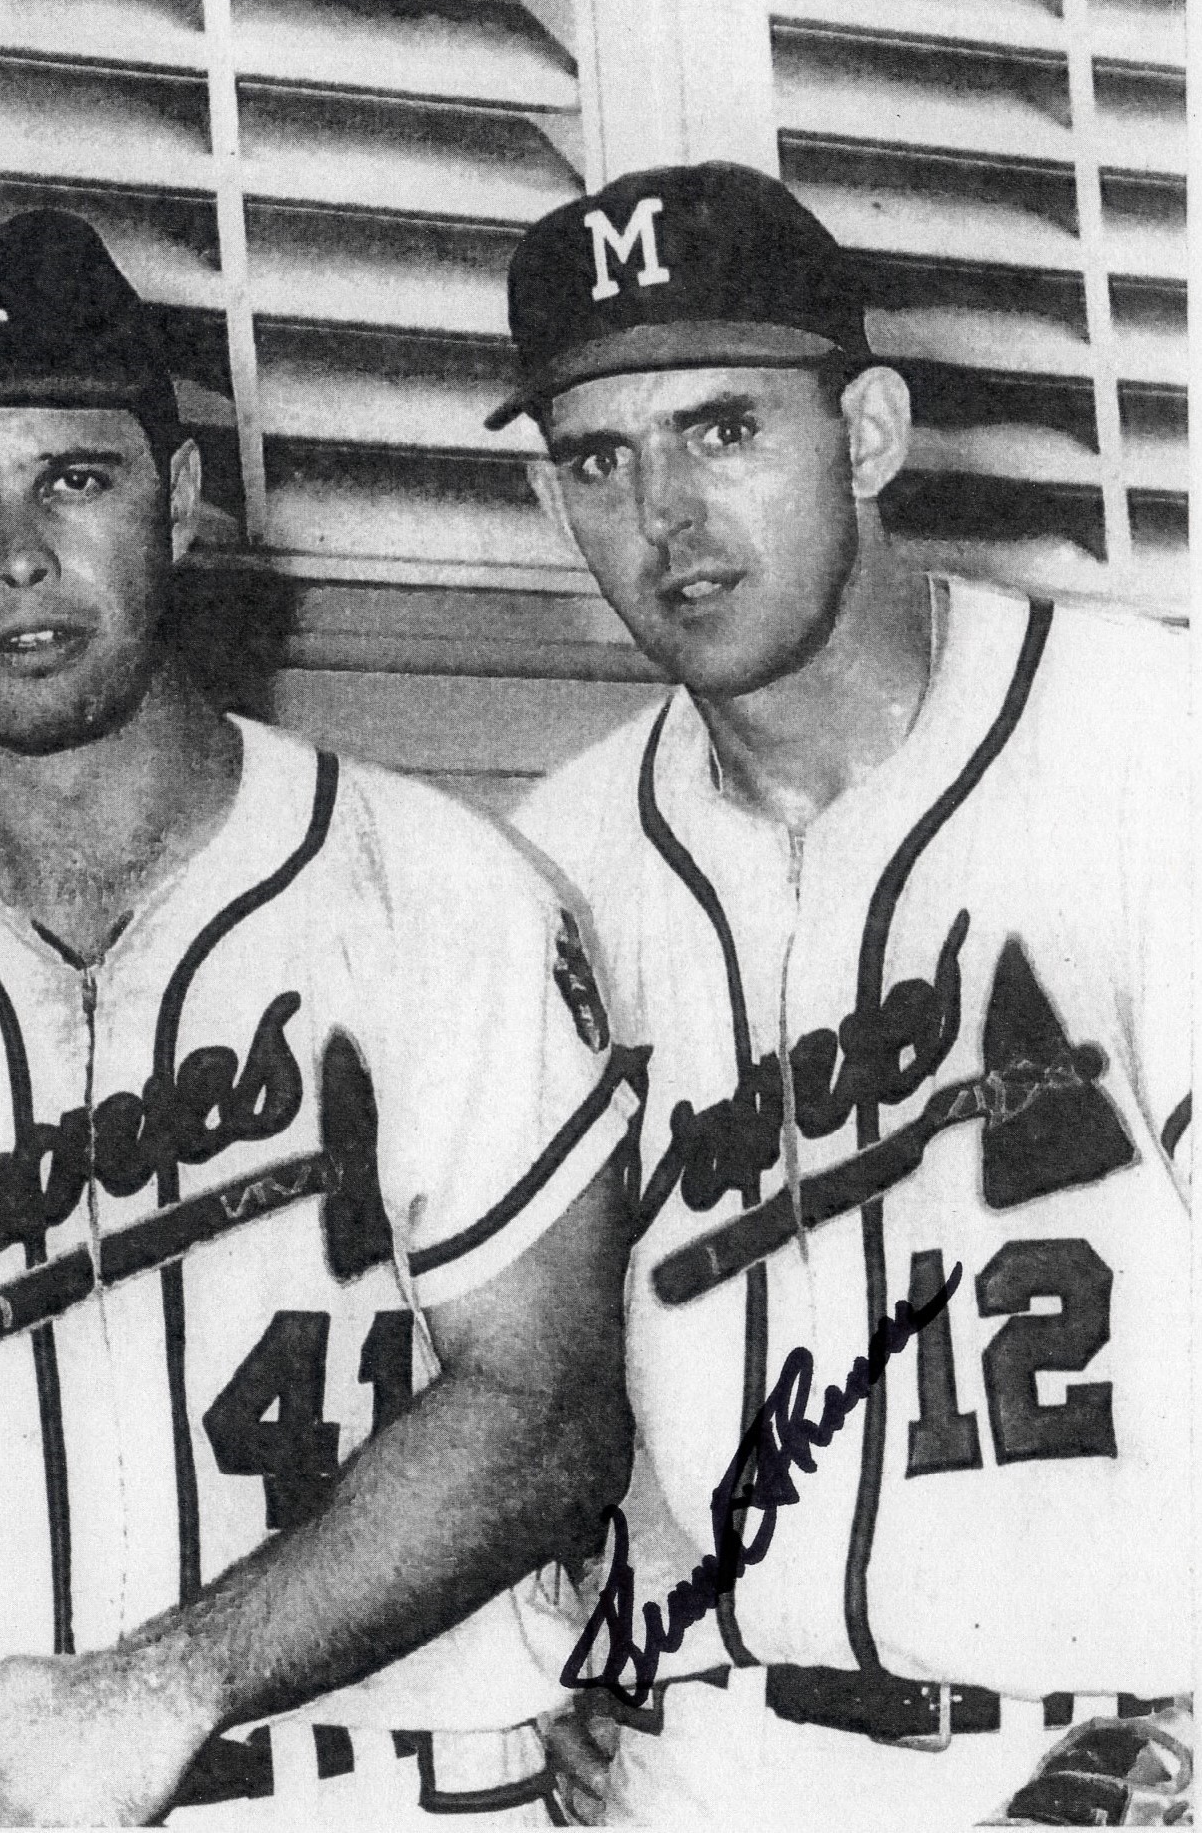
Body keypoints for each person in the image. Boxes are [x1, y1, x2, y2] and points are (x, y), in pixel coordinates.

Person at [0, 207, 644, 1824]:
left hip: (389, 1788)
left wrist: (158, 1693)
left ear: (182, 497)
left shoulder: (438, 893)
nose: (18, 555)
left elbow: (545, 1409)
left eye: (73, 479)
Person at [499, 162, 1193, 1825]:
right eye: (602, 457)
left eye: (724, 430)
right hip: (712, 1767)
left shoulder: (1143, 744)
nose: (665, 514)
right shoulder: (556, 864)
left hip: (1115, 1749)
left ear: (867, 436)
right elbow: (530, 1361)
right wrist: (552, 1644)